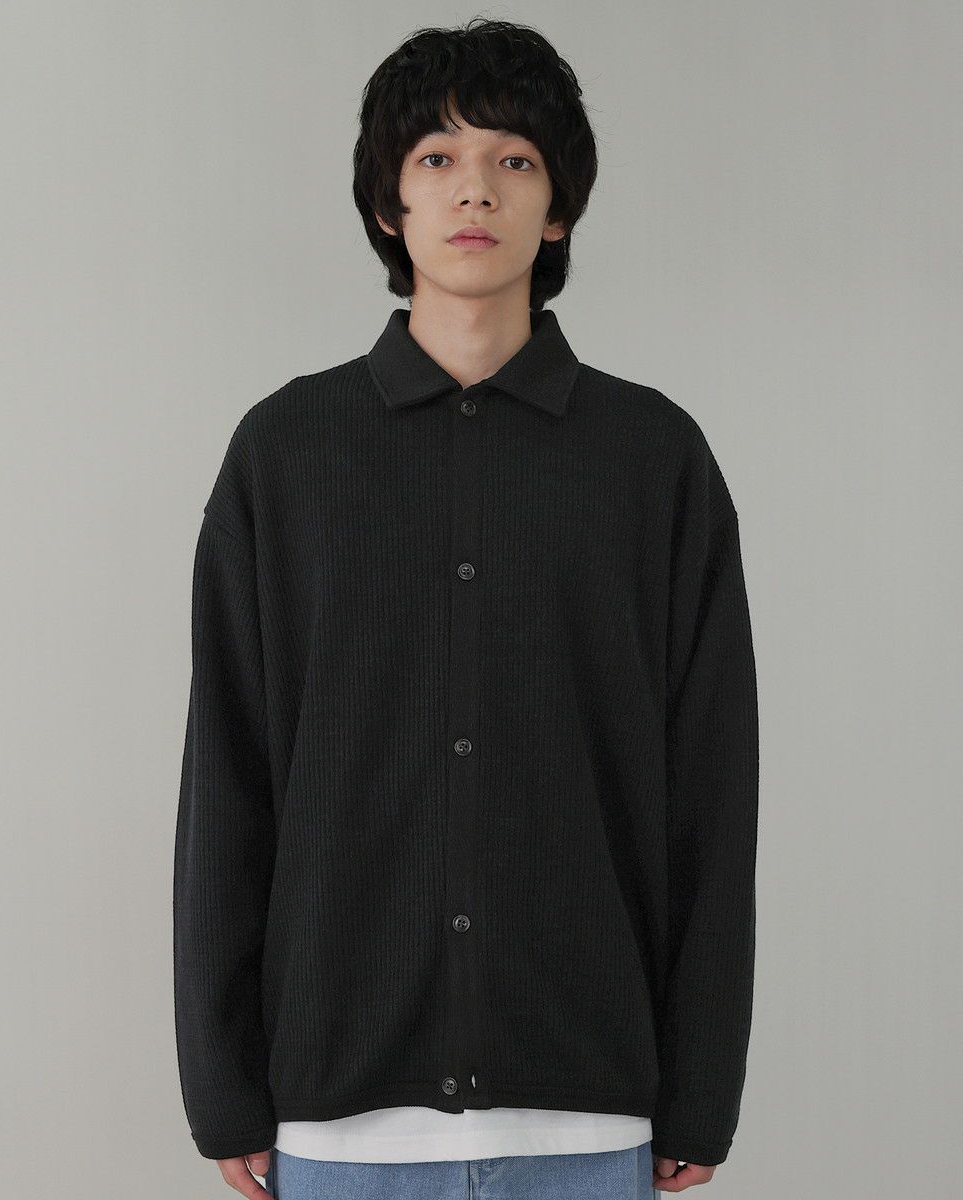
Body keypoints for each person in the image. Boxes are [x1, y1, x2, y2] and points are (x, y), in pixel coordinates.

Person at [173, 16, 759, 1200]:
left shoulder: (652, 459)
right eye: (436, 157)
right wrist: (221, 1083)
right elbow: (228, 783)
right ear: (386, 205)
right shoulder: (286, 454)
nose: (474, 188)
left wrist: (701, 1085)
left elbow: (708, 791)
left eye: (514, 158)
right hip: (341, 1122)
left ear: (559, 208)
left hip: (586, 1115)